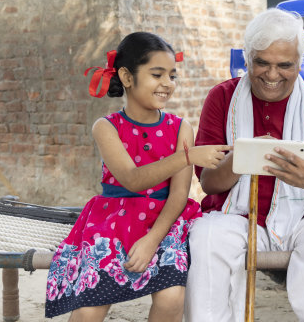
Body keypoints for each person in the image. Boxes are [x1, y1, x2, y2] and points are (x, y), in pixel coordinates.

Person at [184, 8, 304, 322]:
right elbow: (209, 184)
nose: (272, 74)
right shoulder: (222, 98)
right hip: (236, 214)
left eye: (284, 65)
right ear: (247, 59)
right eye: (262, 62)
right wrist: (240, 159)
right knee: (207, 236)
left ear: (300, 63)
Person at [45, 32, 230, 321]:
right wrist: (187, 157)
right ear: (127, 77)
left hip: (165, 221)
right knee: (88, 310)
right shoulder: (106, 127)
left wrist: (152, 240)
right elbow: (132, 179)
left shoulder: (181, 128)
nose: (167, 84)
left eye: (172, 75)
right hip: (114, 220)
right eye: (157, 74)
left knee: (172, 298)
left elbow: (180, 194)